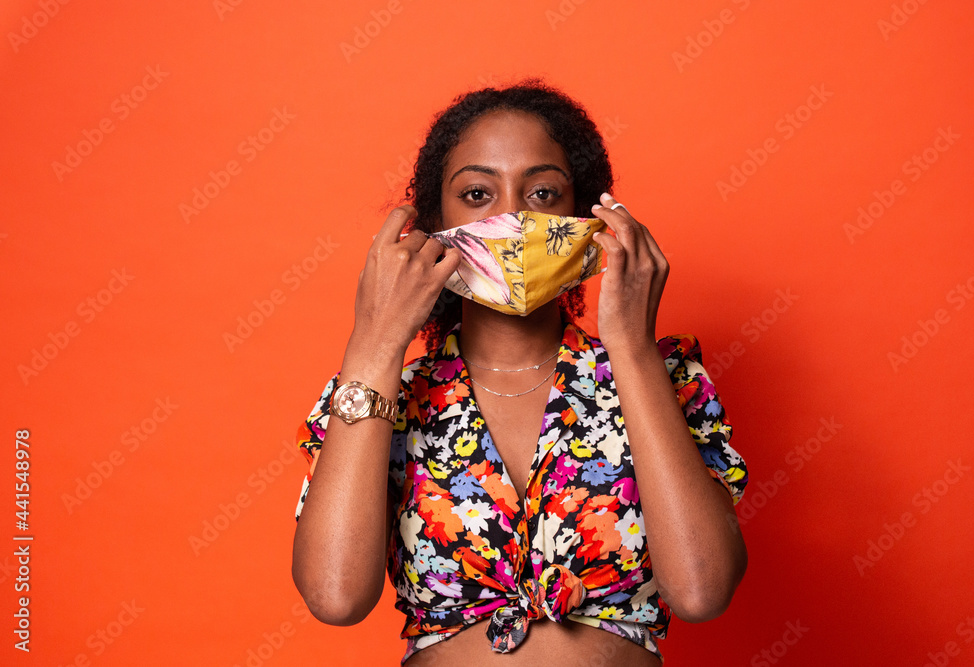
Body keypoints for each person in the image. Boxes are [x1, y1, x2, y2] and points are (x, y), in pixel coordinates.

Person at [291, 79, 749, 666]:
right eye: (478, 194)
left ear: (587, 219)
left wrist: (631, 348)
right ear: (434, 224)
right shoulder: (383, 397)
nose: (510, 218)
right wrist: (375, 344)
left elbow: (702, 590)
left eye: (542, 193)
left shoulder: (664, 377)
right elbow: (335, 596)